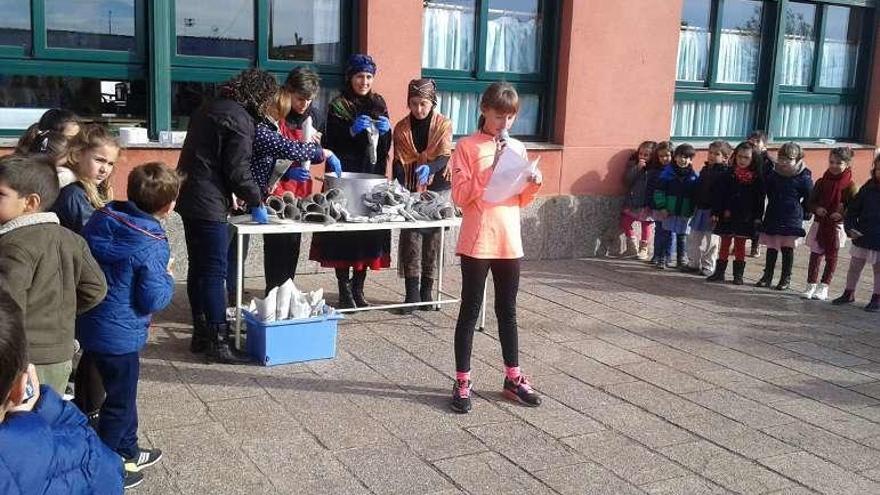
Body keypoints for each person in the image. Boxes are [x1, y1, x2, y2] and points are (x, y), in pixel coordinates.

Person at [77, 162, 178, 486]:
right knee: (119, 402)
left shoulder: (102, 218)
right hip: (120, 335)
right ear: (168, 206)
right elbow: (151, 299)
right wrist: (168, 278)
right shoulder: (151, 241)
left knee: (122, 393)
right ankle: (108, 466)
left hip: (92, 323)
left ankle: (129, 448)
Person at [449, 82, 543, 414]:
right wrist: (491, 170)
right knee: (470, 309)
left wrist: (531, 184)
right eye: (499, 116)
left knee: (508, 310)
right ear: (484, 110)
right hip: (478, 238)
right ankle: (462, 380)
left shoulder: (516, 147)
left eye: (511, 117)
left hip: (508, 238)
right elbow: (459, 196)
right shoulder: (467, 146)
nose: (505, 124)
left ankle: (513, 377)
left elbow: (519, 198)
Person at [176, 68, 273, 364]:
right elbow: (237, 170)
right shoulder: (240, 119)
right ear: (258, 95)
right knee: (215, 271)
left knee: (199, 267)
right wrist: (257, 200)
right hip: (208, 203)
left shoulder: (209, 107)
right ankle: (219, 343)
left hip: (190, 196)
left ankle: (202, 334)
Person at [0, 286, 127, 493]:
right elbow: (110, 472)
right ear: (19, 388)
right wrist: (43, 407)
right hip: (66, 345)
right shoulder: (84, 455)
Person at [0, 154, 107, 394]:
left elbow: (6, 306)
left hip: (20, 358)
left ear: (30, 202)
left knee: (16, 421)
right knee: (45, 419)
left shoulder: (13, 245)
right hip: (60, 355)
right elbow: (96, 288)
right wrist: (62, 310)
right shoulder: (72, 239)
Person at [226, 87, 340, 298]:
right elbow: (287, 149)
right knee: (230, 251)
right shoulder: (260, 128)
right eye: (279, 111)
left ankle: (237, 294)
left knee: (239, 250)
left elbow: (271, 160)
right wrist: (324, 153)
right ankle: (228, 300)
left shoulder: (273, 125)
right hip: (237, 198)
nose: (281, 117)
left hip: (253, 195)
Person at [310, 54, 393, 308]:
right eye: (359, 76)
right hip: (345, 178)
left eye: (368, 77)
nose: (364, 81)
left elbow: (385, 147)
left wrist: (387, 132)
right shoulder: (338, 105)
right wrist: (350, 131)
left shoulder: (379, 103)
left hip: (372, 178)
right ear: (350, 77)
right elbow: (330, 144)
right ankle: (344, 290)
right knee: (344, 236)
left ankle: (359, 288)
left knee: (366, 235)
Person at [391, 78, 453, 313]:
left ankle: (427, 291)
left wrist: (431, 167)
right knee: (412, 237)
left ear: (432, 102)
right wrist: (400, 190)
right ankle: (412, 294)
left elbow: (445, 155)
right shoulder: (401, 128)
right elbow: (399, 160)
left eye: (423, 104)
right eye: (414, 104)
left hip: (438, 184)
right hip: (410, 186)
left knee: (433, 238)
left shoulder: (443, 125)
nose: (418, 109)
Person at [755, 142, 813, 291]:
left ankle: (785, 278)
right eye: (781, 158)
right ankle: (767, 276)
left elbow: (809, 196)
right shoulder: (774, 174)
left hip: (792, 216)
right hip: (774, 212)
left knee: (787, 249)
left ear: (797, 160)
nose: (784, 162)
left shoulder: (803, 176)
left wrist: (806, 211)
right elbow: (766, 189)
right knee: (772, 247)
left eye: (789, 159)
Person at [803, 147, 858, 300]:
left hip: (835, 227)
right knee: (815, 255)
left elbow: (853, 207)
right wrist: (817, 209)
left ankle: (824, 286)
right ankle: (811, 285)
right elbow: (810, 202)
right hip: (820, 224)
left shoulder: (850, 186)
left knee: (831, 256)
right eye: (831, 162)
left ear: (847, 164)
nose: (834, 165)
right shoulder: (821, 182)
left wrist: (841, 214)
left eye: (838, 163)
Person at [707, 141, 766, 285]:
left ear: (753, 159)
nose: (742, 160)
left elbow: (759, 200)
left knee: (740, 246)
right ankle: (719, 273)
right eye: (740, 156)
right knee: (725, 243)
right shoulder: (728, 174)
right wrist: (716, 212)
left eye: (746, 157)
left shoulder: (757, 179)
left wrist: (758, 217)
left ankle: (738, 276)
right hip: (727, 214)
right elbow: (719, 195)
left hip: (745, 217)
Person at [51, 124, 120, 234]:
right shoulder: (73, 194)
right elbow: (95, 236)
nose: (104, 169)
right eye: (99, 160)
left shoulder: (99, 189)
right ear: (77, 156)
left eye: (110, 164)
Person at [832, 156, 880, 312]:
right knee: (854, 266)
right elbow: (853, 209)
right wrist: (850, 227)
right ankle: (849, 292)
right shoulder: (868, 187)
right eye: (879, 169)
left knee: (878, 269)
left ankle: (877, 297)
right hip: (863, 234)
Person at [687, 140, 731, 276]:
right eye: (710, 153)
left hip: (713, 212)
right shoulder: (705, 170)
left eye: (716, 154)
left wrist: (717, 212)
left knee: (711, 241)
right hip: (700, 208)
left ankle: (708, 266)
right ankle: (693, 263)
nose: (711, 156)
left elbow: (722, 195)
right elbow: (699, 189)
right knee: (693, 237)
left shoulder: (725, 173)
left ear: (725, 157)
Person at [653, 143, 698, 270]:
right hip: (669, 210)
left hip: (685, 211)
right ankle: (663, 258)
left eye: (687, 157)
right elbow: (659, 192)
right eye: (680, 156)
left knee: (682, 236)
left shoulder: (694, 177)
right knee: (666, 234)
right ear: (675, 157)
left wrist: (692, 209)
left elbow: (695, 195)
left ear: (690, 160)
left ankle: (680, 260)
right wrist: (662, 207)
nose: (683, 160)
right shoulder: (666, 174)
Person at [618, 140, 658, 260]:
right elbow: (626, 181)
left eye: (646, 155)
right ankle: (632, 246)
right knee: (625, 221)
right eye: (641, 154)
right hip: (633, 200)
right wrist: (637, 168)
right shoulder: (633, 165)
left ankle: (644, 248)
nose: (643, 157)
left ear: (653, 156)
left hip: (647, 202)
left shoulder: (655, 170)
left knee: (646, 225)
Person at [747, 130, 774, 258]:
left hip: (761, 193)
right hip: (748, 191)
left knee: (757, 219)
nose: (754, 143)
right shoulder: (746, 155)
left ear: (764, 145)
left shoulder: (767, 160)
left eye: (758, 141)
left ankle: (755, 244)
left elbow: (769, 178)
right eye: (752, 140)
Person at [648, 141, 674, 266]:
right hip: (657, 207)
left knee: (669, 232)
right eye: (661, 156)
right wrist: (650, 204)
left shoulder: (676, 171)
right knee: (659, 231)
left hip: (670, 207)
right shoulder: (655, 171)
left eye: (667, 155)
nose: (664, 158)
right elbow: (650, 189)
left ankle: (667, 255)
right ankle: (657, 254)